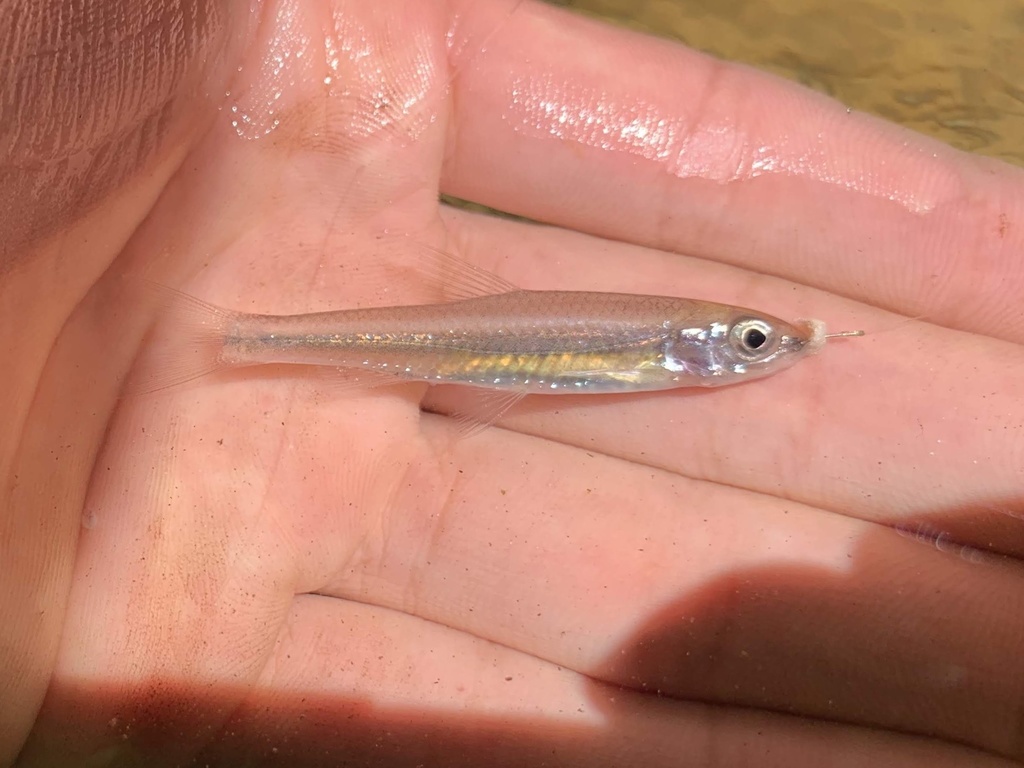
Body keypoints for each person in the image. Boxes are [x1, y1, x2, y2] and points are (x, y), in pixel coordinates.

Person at [4, 0, 1023, 765]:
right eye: (751, 343)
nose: (758, 353)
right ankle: (246, 338)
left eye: (753, 343)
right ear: (702, 346)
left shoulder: (669, 351)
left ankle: (247, 338)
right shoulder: (666, 351)